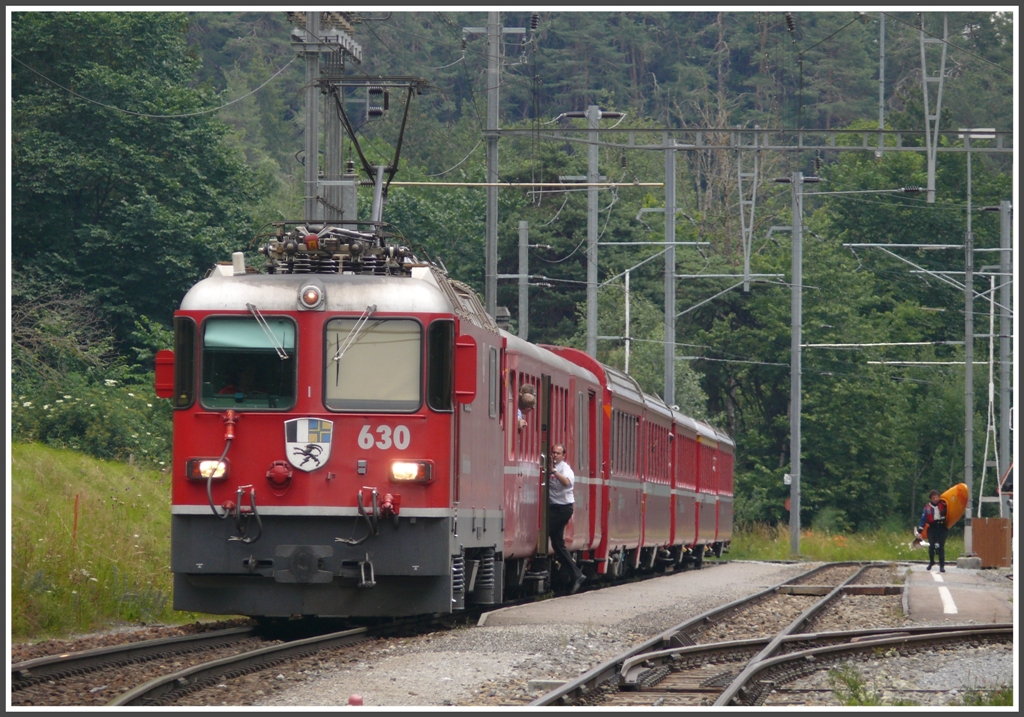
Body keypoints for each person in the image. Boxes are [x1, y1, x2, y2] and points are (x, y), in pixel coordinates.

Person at [548, 443, 586, 594]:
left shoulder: (565, 469)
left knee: (545, 532)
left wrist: (554, 472)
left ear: (563, 455)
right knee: (557, 544)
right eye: (553, 453)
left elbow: (566, 482)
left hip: (563, 508)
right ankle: (576, 574)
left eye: (558, 453)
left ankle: (545, 566)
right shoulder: (550, 465)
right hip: (553, 507)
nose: (555, 455)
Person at [917, 489, 948, 572]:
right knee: (932, 546)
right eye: (933, 498)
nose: (935, 499)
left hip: (942, 527)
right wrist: (919, 531)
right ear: (931, 499)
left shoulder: (944, 504)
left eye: (937, 497)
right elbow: (923, 519)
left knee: (940, 546)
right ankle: (931, 562)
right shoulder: (927, 508)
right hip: (932, 528)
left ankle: (942, 566)